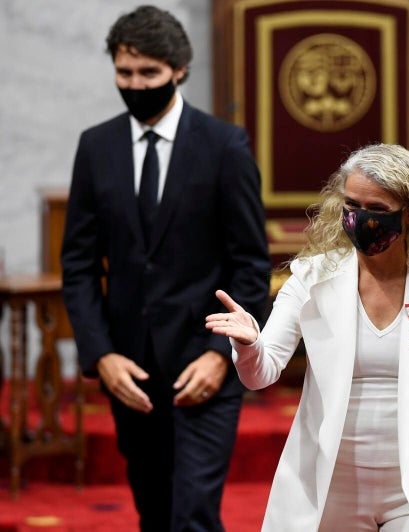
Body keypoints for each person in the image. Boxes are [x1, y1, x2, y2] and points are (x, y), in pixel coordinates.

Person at [206, 143, 409, 531]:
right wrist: (249, 347)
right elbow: (261, 373)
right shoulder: (312, 279)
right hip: (330, 486)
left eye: (377, 210)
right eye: (351, 206)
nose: (360, 219)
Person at [61, 5, 270, 531]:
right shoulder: (95, 146)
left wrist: (222, 356)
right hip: (129, 368)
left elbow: (250, 265)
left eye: (148, 74)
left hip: (203, 365)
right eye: (124, 74)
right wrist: (100, 354)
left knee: (193, 515)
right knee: (154, 512)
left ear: (178, 70)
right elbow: (79, 265)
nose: (134, 85)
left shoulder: (225, 147)